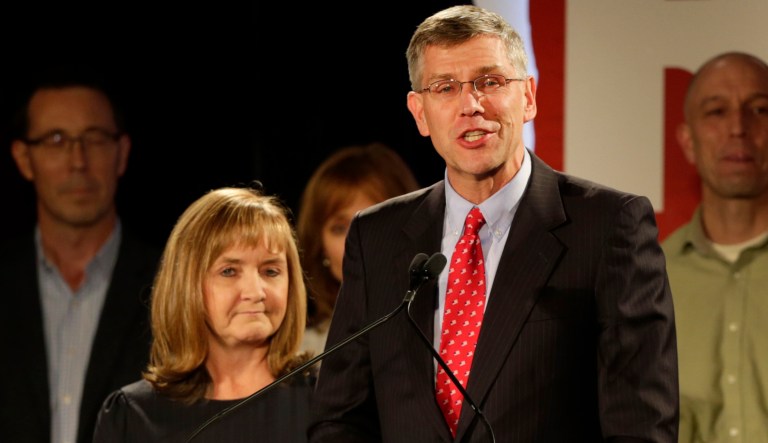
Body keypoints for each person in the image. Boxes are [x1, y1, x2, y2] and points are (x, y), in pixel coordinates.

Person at [308, 5, 678, 442]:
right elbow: (340, 419)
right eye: (446, 88)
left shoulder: (609, 227)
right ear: (420, 113)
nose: (471, 105)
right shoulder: (377, 236)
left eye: (490, 82)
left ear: (528, 97)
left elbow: (640, 425)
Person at [0, 64, 161, 443]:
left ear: (122, 153)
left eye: (95, 138)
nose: (78, 161)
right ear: (23, 158)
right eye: (56, 139)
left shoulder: (173, 283)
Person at [92, 186, 314, 443]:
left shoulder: (325, 405)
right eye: (229, 271)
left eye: (270, 271)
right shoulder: (132, 418)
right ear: (187, 285)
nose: (255, 292)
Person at [662, 52, 768, 443]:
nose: (738, 128)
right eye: (717, 111)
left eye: (760, 109)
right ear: (688, 142)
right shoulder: (650, 282)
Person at [296, 142, 419, 356]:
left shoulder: (450, 332)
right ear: (320, 246)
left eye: (374, 222)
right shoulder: (299, 358)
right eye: (339, 228)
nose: (358, 241)